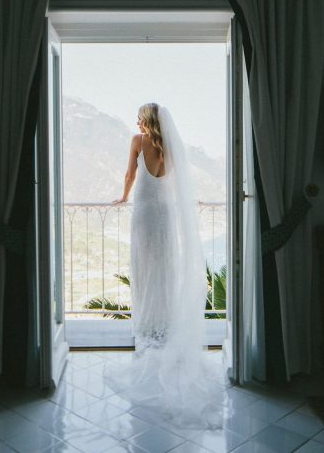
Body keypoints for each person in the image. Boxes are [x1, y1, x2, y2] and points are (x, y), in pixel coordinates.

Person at [108, 102, 224, 429]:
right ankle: (163, 326)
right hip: (165, 216)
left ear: (146, 120)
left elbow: (131, 174)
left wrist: (123, 196)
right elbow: (180, 182)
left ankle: (146, 328)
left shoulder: (136, 141)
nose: (135, 121)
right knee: (164, 272)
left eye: (139, 116)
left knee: (144, 272)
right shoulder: (171, 148)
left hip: (143, 216)